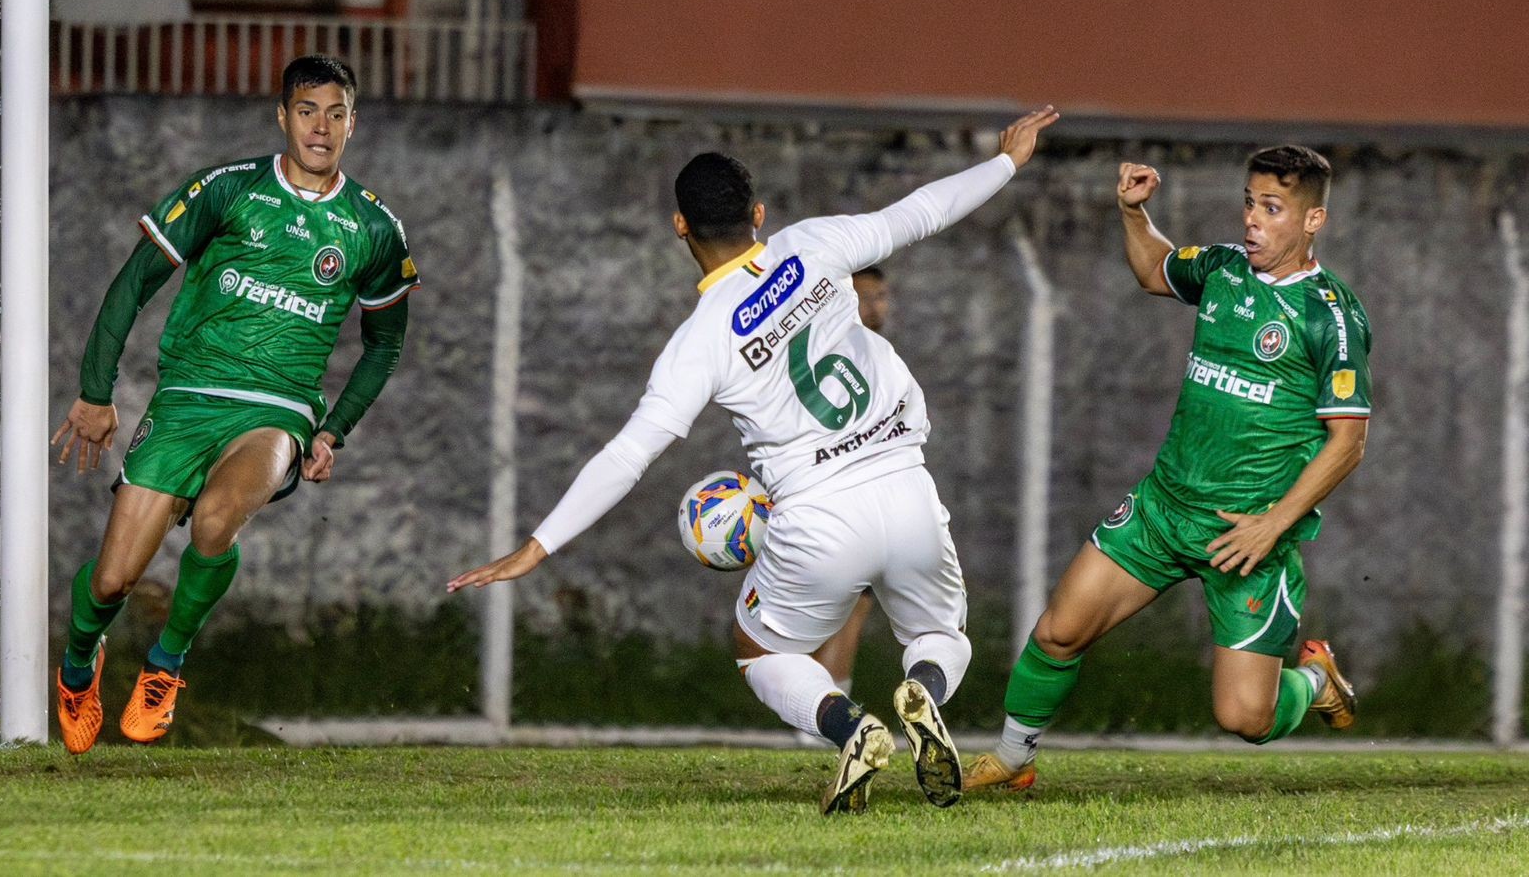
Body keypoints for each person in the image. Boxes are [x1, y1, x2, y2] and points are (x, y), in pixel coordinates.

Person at [451, 107, 1060, 815]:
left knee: (759, 651)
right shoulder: (812, 244)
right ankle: (920, 686)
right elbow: (920, 211)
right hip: (905, 486)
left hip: (815, 519)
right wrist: (1007, 162)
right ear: (759, 214)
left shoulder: (700, 339)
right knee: (937, 635)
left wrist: (536, 546)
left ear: (681, 227)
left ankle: (850, 727)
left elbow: (628, 455)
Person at [965, 145, 1370, 792]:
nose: (1253, 221)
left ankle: (1316, 680)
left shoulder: (1331, 314)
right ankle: (1014, 758)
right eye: (1249, 203)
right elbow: (1156, 269)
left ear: (1313, 220)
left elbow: (1347, 442)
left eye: (1272, 208)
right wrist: (1134, 212)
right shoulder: (1222, 269)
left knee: (1245, 718)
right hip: (1164, 510)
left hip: (1246, 539)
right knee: (1060, 629)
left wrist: (1272, 527)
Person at [50, 55, 420, 754]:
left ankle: (165, 666)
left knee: (218, 521)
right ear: (282, 117)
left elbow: (384, 346)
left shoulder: (373, 229)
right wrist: (95, 393)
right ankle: (77, 668)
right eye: (307, 110)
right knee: (113, 579)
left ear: (353, 123)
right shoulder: (227, 189)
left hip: (276, 410)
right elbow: (134, 284)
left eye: (336, 113)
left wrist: (333, 429)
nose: (321, 126)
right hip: (187, 398)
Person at [809, 265, 890, 696]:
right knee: (847, 605)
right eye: (865, 296)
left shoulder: (875, 351)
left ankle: (820, 705)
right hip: (837, 496)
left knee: (851, 603)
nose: (875, 306)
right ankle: (822, 709)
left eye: (881, 296)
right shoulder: (840, 354)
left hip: (860, 497)